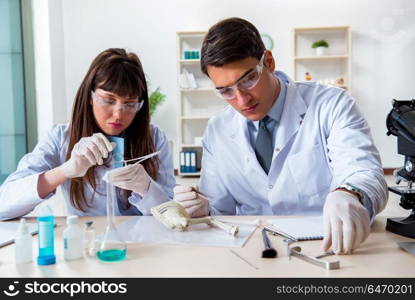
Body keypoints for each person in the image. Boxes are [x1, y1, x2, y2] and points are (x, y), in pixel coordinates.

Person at [174, 18, 388, 254]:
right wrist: (203, 207)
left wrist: (350, 193)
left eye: (248, 80)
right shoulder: (218, 129)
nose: (242, 100)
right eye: (226, 91)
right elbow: (219, 210)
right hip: (253, 249)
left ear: (269, 61)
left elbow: (365, 172)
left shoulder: (331, 104)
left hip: (326, 244)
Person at [0, 48, 175, 219]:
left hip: (144, 243)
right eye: (108, 100)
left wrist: (147, 188)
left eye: (129, 104)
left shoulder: (155, 138)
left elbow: (173, 213)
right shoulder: (60, 137)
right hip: (87, 241)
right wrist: (66, 170)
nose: (118, 114)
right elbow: (4, 205)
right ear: (90, 96)